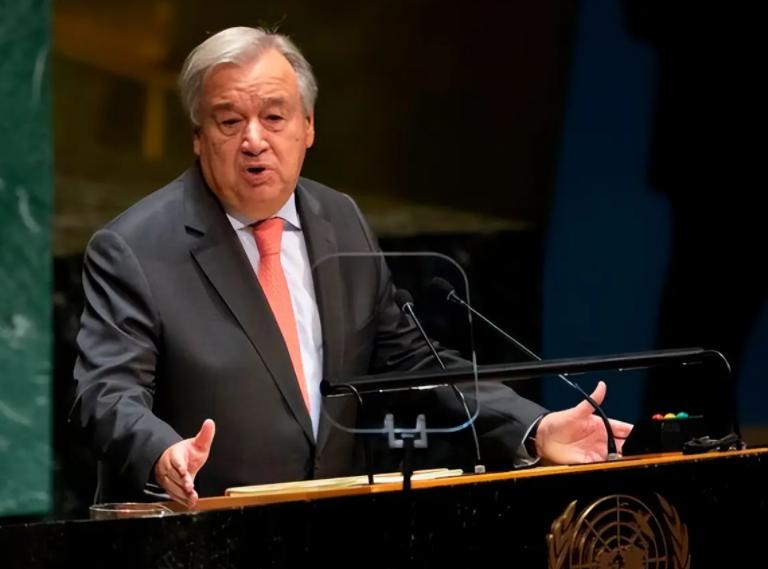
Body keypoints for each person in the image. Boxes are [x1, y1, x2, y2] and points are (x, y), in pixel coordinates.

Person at [72, 26, 632, 508]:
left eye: (274, 116)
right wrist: (162, 453)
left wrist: (532, 428)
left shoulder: (339, 219)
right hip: (198, 533)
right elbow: (107, 394)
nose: (254, 140)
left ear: (308, 126)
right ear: (198, 138)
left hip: (335, 528)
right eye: (229, 121)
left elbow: (411, 362)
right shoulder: (134, 248)